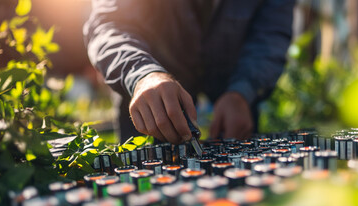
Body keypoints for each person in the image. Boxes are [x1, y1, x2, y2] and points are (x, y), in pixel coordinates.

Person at [84, 0, 294, 144]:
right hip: (149, 106)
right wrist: (142, 74)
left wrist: (242, 92)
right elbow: (110, 25)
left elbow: (270, 36)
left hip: (236, 109)